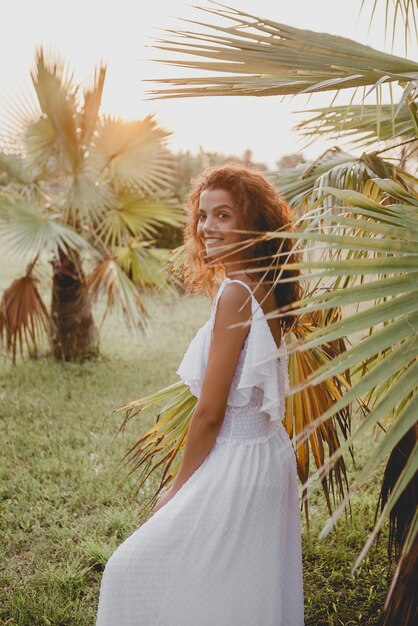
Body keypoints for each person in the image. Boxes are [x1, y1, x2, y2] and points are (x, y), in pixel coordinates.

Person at [96, 164, 305, 625]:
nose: (207, 227)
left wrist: (176, 488)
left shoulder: (235, 292)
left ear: (252, 222)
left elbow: (210, 413)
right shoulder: (266, 283)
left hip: (238, 457)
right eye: (203, 215)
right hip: (269, 454)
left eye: (224, 215)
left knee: (126, 570)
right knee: (241, 588)